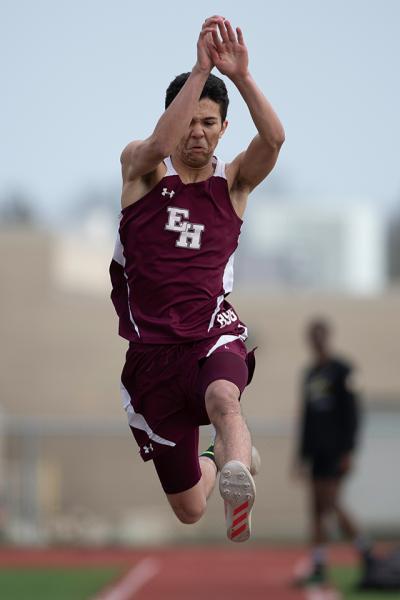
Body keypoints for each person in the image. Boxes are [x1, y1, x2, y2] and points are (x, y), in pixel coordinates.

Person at [109, 15, 284, 542]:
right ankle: (227, 456)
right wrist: (200, 68)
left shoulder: (232, 185)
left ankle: (236, 468)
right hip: (152, 355)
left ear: (224, 128)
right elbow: (160, 142)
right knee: (187, 509)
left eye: (210, 123)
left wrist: (243, 77)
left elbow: (274, 140)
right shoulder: (142, 171)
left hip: (211, 333)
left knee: (224, 399)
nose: (198, 132)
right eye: (190, 120)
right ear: (173, 117)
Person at [293, 318, 373, 583]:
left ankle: (366, 552)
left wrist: (348, 451)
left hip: (335, 451)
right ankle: (318, 565)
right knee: (316, 508)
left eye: (320, 334)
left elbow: (352, 413)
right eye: (312, 334)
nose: (316, 339)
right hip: (315, 452)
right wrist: (301, 456)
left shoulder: (342, 370)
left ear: (327, 336)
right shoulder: (310, 374)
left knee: (331, 503)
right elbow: (306, 418)